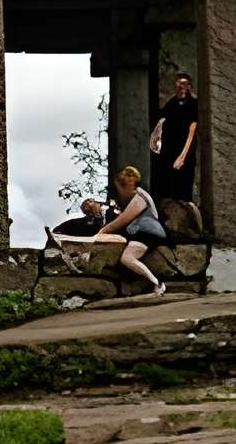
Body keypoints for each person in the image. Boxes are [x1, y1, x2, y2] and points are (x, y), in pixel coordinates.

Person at [84, 164, 172, 294]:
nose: (119, 192)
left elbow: (123, 219)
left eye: (119, 188)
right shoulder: (136, 197)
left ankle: (157, 283)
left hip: (148, 232)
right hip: (142, 232)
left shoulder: (140, 197)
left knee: (127, 258)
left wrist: (104, 230)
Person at [149, 70, 203, 237]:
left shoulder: (193, 104)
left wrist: (183, 155)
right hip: (168, 150)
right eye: (179, 84)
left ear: (189, 86)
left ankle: (187, 227)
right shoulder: (171, 103)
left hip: (184, 150)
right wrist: (156, 134)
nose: (181, 87)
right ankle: (168, 224)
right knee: (166, 187)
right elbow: (162, 119)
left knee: (183, 188)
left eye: (184, 84)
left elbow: (192, 130)